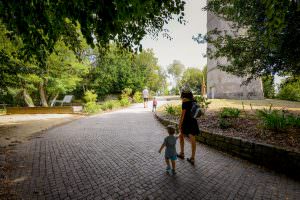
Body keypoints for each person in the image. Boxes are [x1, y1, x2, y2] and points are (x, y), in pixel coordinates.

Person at [177, 86, 200, 165]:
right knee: (192, 139)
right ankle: (192, 158)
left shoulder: (184, 102)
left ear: (183, 93)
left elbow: (182, 115)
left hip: (186, 122)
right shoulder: (194, 100)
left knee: (181, 136)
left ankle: (182, 153)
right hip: (193, 121)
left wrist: (179, 124)